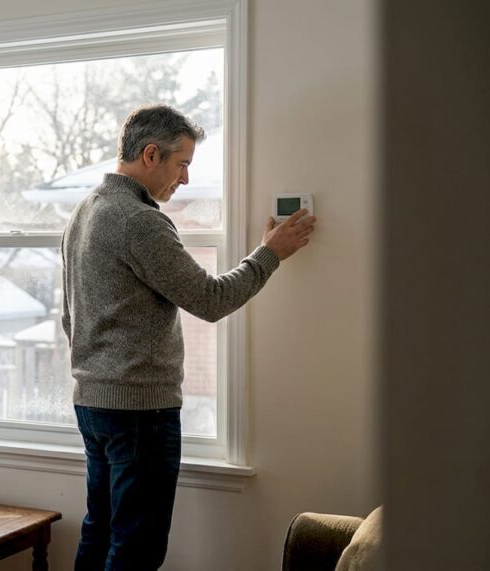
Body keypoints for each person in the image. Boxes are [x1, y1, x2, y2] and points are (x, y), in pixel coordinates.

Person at [61, 104, 316, 570]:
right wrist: (269, 254)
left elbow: (68, 316)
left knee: (100, 531)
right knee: (136, 547)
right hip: (139, 410)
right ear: (151, 154)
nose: (184, 179)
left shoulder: (85, 211)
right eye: (182, 165)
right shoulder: (139, 221)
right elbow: (210, 300)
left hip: (92, 403)